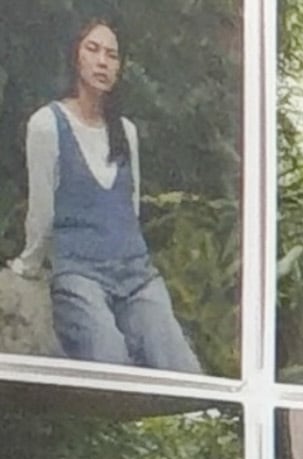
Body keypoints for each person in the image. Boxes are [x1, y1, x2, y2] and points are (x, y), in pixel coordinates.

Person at [8, 19, 204, 374]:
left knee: (181, 365)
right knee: (109, 360)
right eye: (93, 50)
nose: (103, 62)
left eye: (112, 55)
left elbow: (130, 207)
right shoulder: (47, 124)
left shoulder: (125, 131)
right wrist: (29, 264)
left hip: (136, 275)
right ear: (75, 58)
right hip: (79, 274)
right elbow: (42, 210)